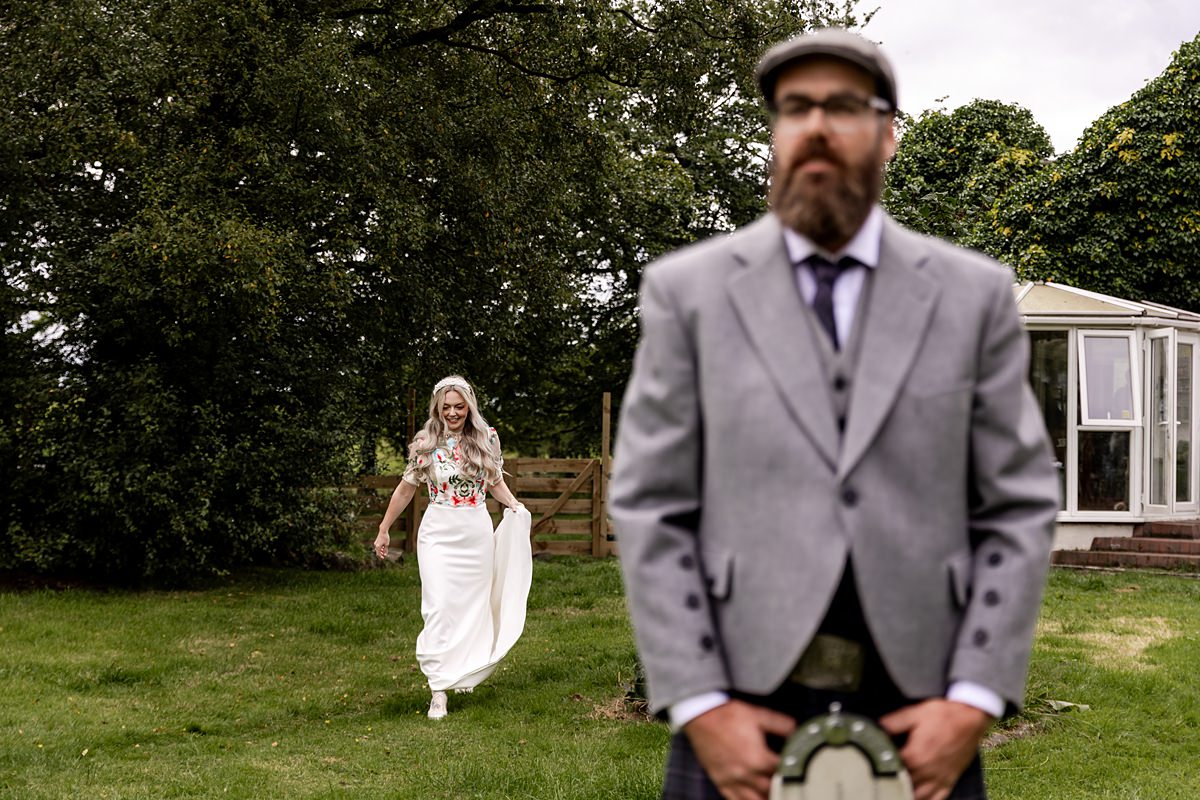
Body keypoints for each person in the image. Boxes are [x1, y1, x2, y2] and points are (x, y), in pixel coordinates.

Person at [609, 28, 1059, 800]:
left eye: (845, 106)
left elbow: (1017, 506)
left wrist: (975, 698)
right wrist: (701, 704)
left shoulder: (971, 296)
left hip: (927, 714)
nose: (816, 125)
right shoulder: (689, 294)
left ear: (889, 135)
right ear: (775, 135)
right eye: (795, 108)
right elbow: (651, 505)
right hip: (738, 709)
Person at [374, 375, 532, 720]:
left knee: (471, 606)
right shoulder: (426, 441)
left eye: (459, 406)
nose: (453, 413)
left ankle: (463, 669)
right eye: (446, 407)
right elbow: (404, 490)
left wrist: (515, 506)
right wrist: (384, 528)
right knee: (439, 607)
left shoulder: (487, 438)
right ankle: (438, 691)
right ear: (437, 408)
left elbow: (495, 483)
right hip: (437, 532)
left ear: (469, 406)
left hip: (475, 530)